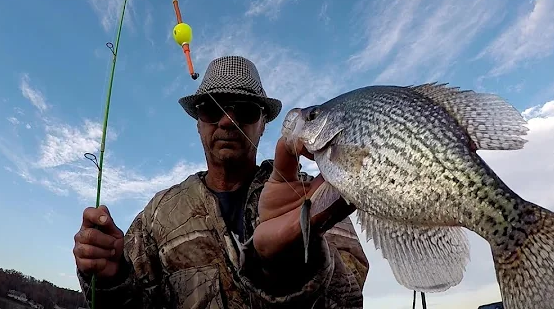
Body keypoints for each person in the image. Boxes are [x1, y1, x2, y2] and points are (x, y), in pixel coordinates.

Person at [73, 55, 369, 308]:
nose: (227, 121)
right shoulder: (158, 214)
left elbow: (351, 296)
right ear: (199, 123)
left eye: (246, 111)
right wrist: (111, 278)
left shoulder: (316, 194)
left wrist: (293, 265)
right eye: (212, 110)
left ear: (263, 124)